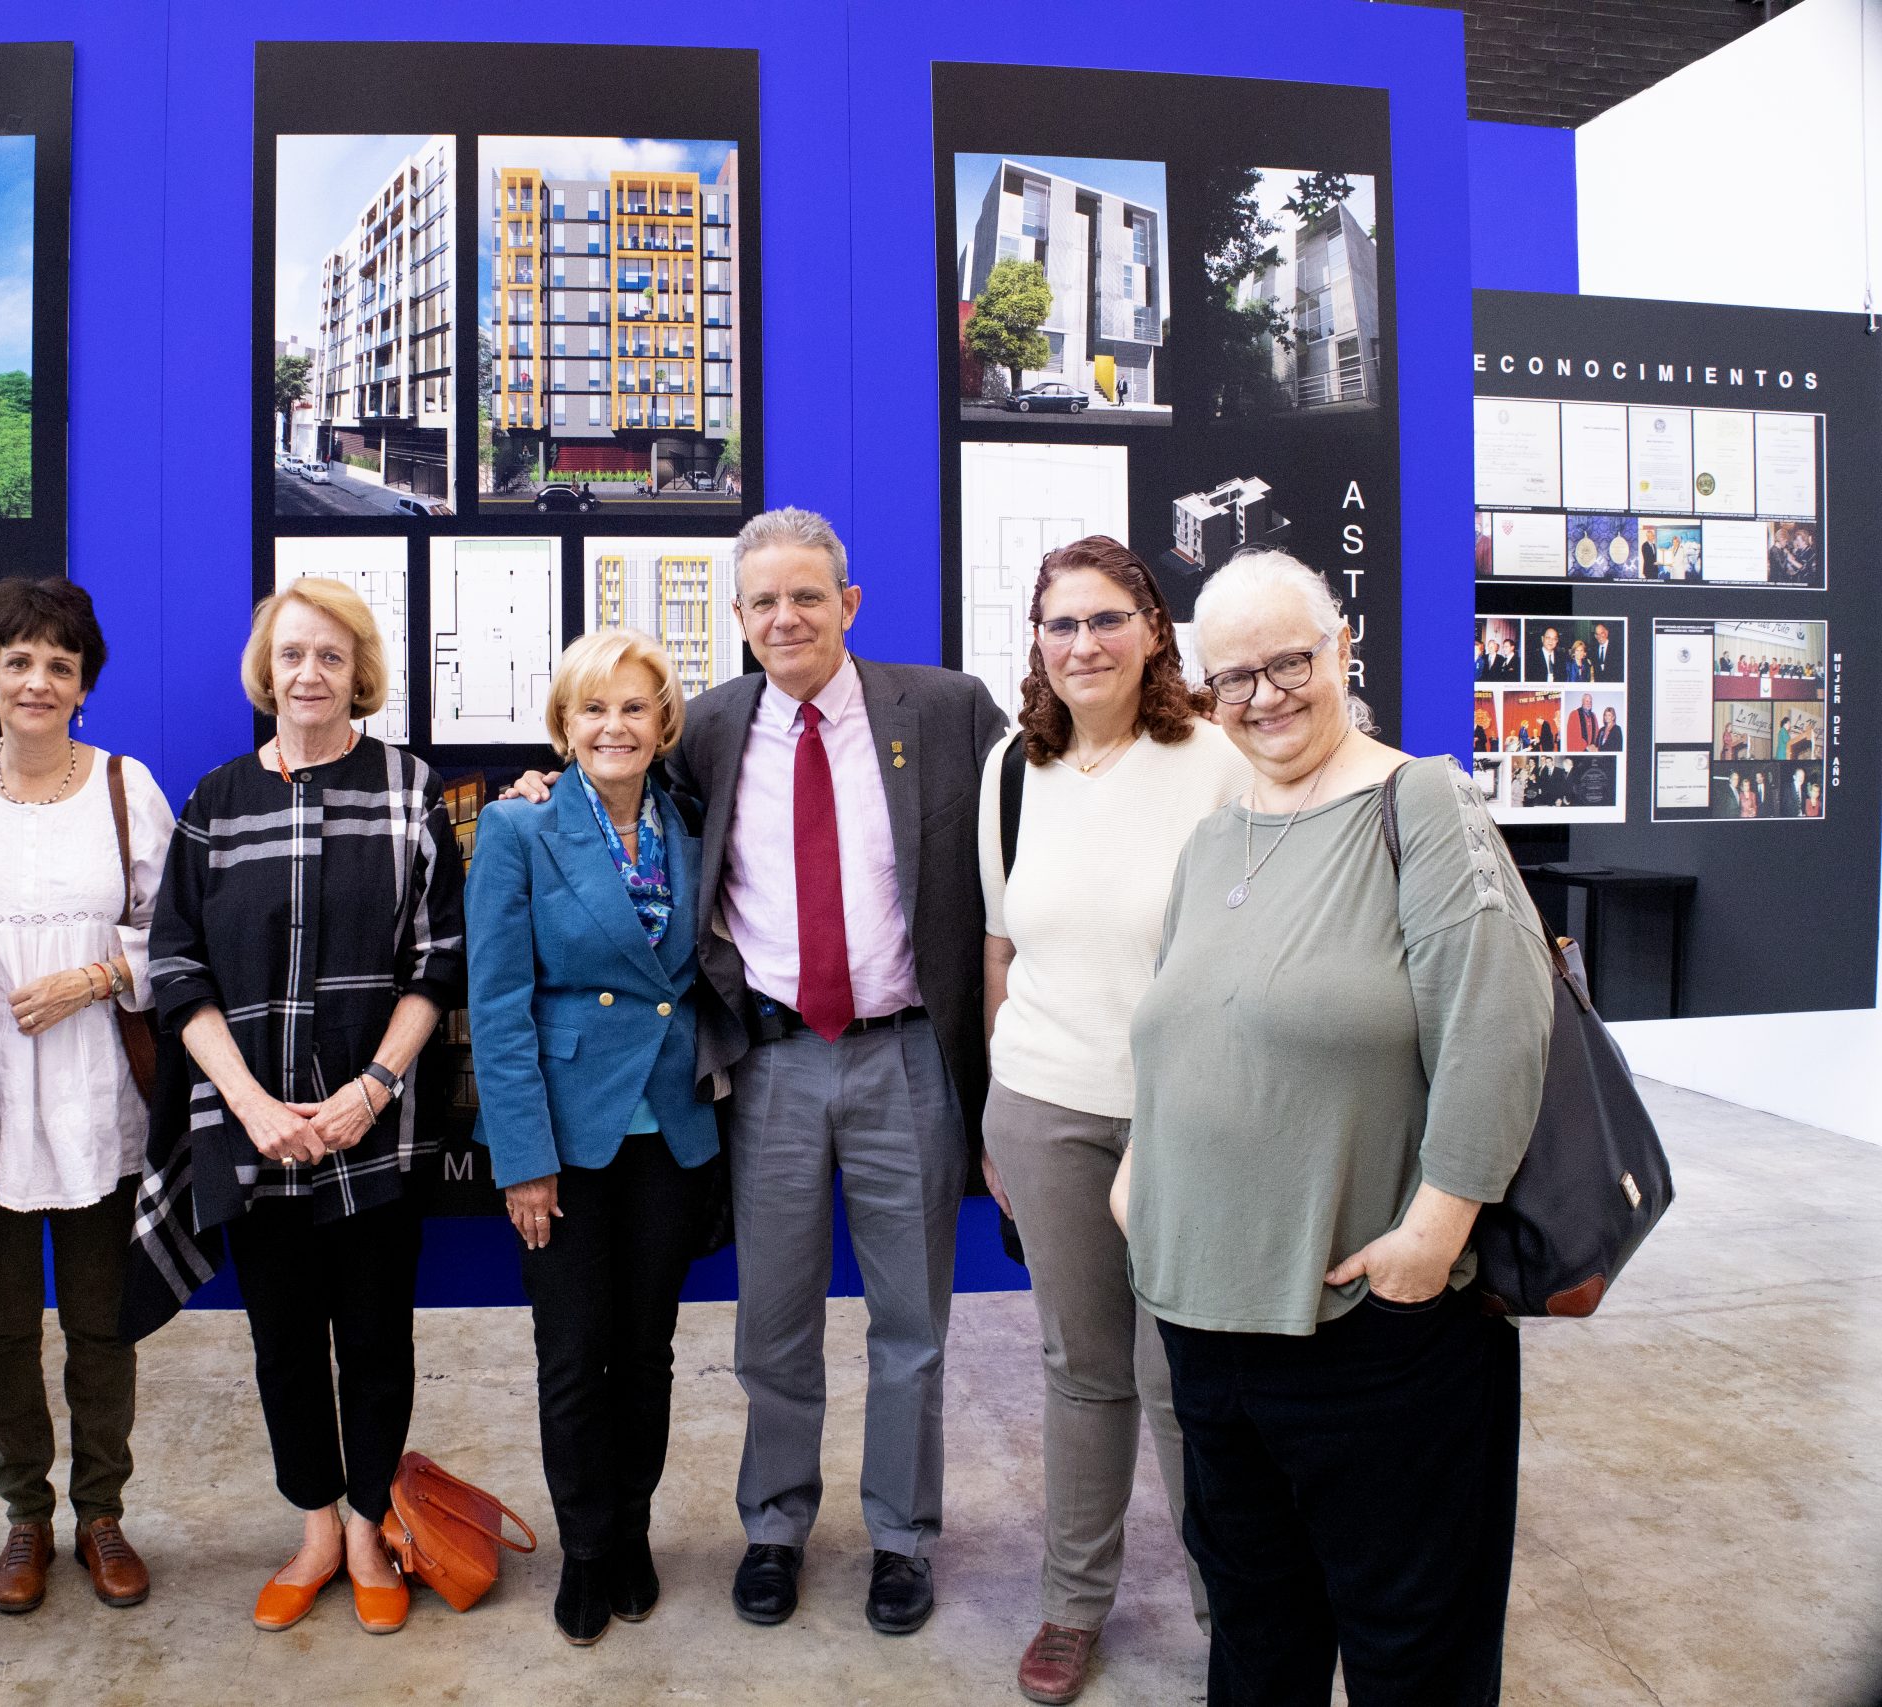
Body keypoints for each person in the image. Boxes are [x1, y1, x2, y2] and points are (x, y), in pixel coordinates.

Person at [509, 506, 1006, 1635]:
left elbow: (1027, 818)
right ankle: (774, 1525)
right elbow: (613, 788)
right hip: (771, 1065)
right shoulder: (712, 729)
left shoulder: (943, 709)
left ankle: (901, 1538)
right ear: (736, 620)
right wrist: (544, 790)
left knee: (910, 1325)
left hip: (904, 1056)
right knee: (770, 1325)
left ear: (848, 604)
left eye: (806, 596)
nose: (786, 618)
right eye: (763, 602)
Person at [1116, 551, 1550, 1705]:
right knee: (1257, 1637)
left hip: (1371, 1332)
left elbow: (1501, 1023)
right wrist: (1135, 1179)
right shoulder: (1216, 839)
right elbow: (1180, 1030)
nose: (1262, 697)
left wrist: (1434, 1231)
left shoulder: (1420, 802)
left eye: (1288, 662)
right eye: (1231, 678)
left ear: (1341, 649)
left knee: (1413, 1649)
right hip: (1208, 1328)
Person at [145, 577, 465, 1637]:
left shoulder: (411, 792)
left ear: (358, 672)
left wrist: (373, 1087)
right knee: (282, 1342)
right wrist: (248, 1104)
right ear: (264, 670)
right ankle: (317, 1528)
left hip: (373, 1132)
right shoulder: (215, 801)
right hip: (254, 1135)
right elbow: (177, 968)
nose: (309, 674)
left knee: (375, 1338)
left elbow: (438, 964)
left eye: (331, 656)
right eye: (291, 655)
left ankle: (373, 1527)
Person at [973, 537, 1249, 1701]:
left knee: (1183, 1373)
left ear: (1151, 629)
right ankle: (1072, 1607)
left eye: (1104, 620)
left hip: (1187, 1120)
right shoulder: (1006, 772)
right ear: (1035, 643)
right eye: (1059, 625)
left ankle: (1228, 1606)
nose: (1081, 644)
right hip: (1041, 1107)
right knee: (1080, 1368)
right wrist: (997, 1104)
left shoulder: (1222, 760)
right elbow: (1000, 947)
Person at [0, 577, 174, 1618]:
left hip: (96, 1097)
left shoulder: (127, 787)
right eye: (17, 661)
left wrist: (97, 977)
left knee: (102, 1325)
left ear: (83, 686)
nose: (38, 680)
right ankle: (25, 1514)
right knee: (0, 1328)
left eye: (59, 665)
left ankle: (101, 1513)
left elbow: (179, 937)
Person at [465, 627, 719, 1646]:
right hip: (567, 1140)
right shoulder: (519, 831)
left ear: (663, 726)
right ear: (562, 727)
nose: (613, 726)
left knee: (646, 1352)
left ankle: (631, 1527)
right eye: (592, 708)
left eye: (633, 708)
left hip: (675, 1130)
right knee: (573, 1355)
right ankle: (583, 1548)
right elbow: (496, 1005)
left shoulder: (692, 822)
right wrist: (521, 1160)